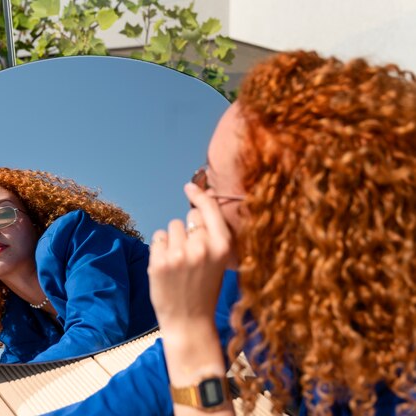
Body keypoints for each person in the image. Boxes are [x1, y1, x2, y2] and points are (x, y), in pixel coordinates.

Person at [48, 50, 416, 415]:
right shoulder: (254, 275)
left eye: (211, 181)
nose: (193, 190)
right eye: (201, 170)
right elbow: (154, 383)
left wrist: (190, 338)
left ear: (288, 220)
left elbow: (191, 380)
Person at [0, 167, 157, 363]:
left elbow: (97, 335)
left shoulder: (76, 236)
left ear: (33, 219)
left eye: (2, 214)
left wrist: (23, 389)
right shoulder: (18, 323)